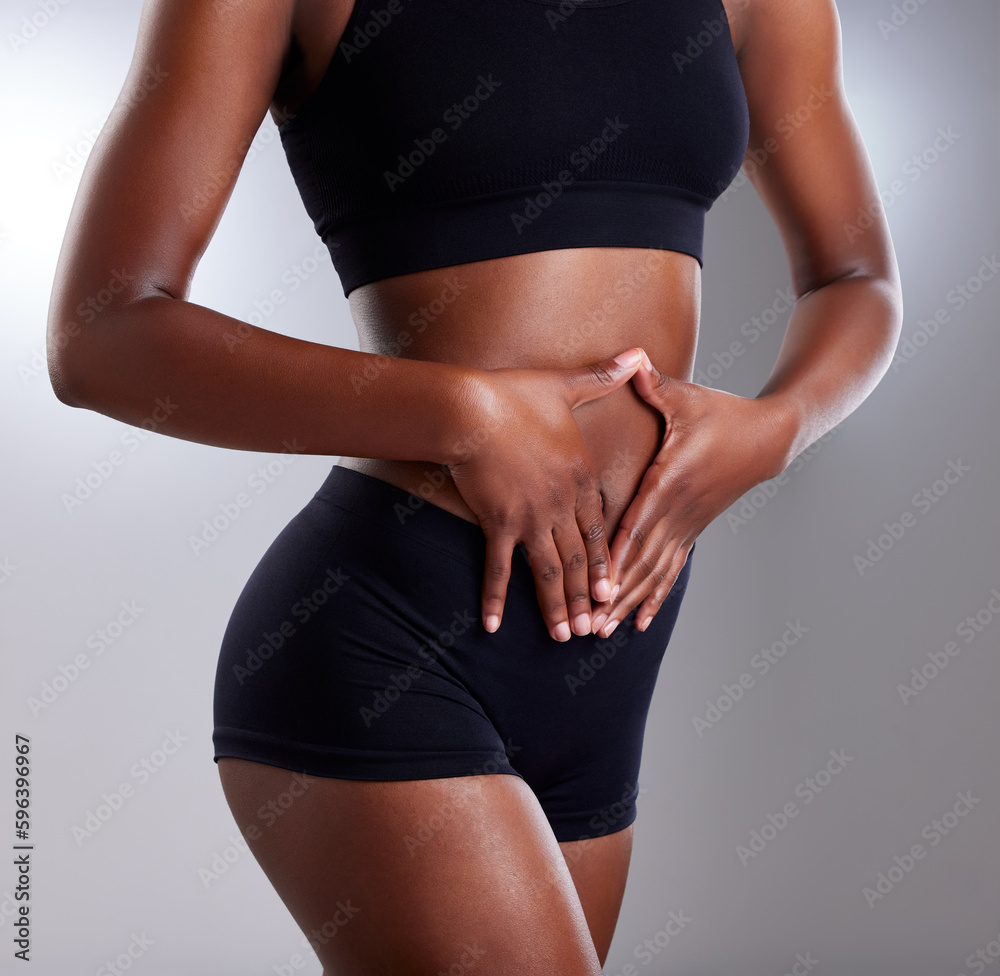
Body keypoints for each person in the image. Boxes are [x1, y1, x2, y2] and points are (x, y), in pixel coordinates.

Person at [47, 0, 902, 971]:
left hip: (609, 665)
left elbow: (855, 274)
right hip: (389, 636)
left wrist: (778, 426)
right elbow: (102, 335)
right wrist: (464, 415)